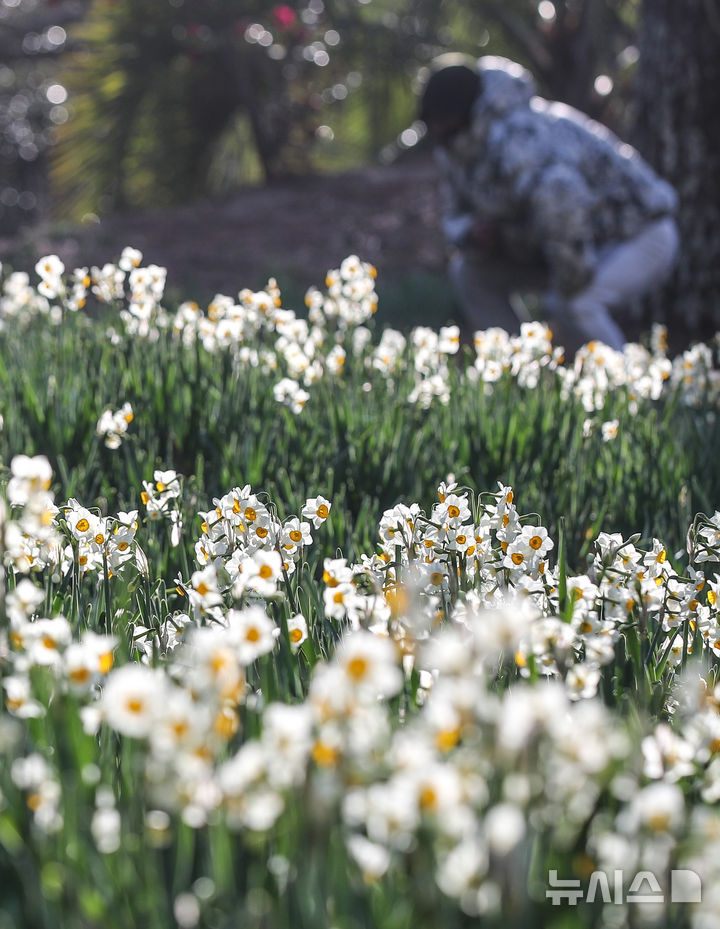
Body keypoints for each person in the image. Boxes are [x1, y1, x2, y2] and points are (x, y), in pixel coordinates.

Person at [419, 54, 680, 353]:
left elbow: (561, 197)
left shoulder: (519, 134)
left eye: (441, 121)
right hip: (565, 248)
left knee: (574, 302)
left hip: (640, 234)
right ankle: (516, 372)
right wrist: (471, 233)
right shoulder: (458, 149)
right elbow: (455, 214)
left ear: (464, 111)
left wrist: (566, 283)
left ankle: (625, 391)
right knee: (470, 275)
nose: (436, 130)